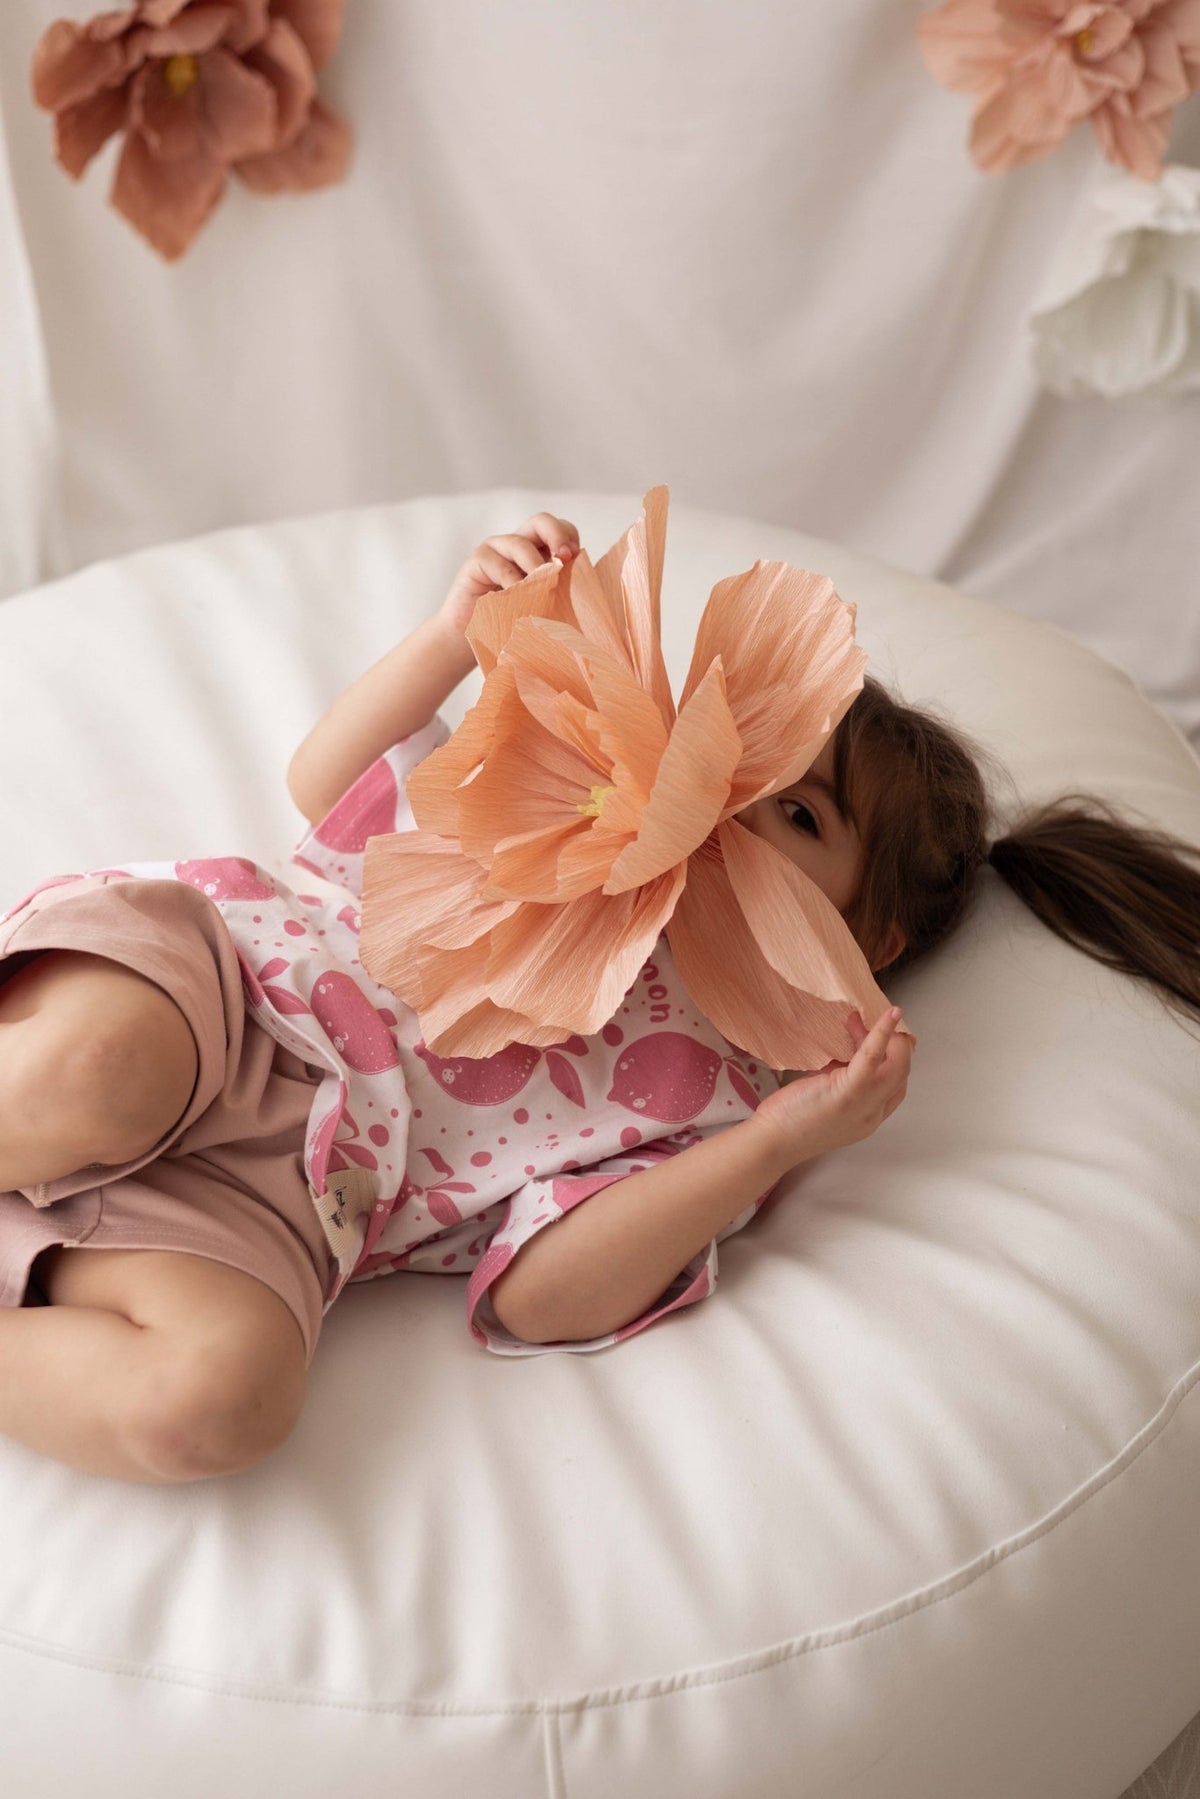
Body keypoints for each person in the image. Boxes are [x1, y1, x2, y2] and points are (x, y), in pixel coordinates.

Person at [0, 512, 1196, 1487]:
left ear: (861, 937)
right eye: (728, 758)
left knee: (225, 1395)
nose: (723, 807)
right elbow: (330, 781)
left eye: (797, 814)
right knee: (97, 1070)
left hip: (292, 1205)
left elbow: (538, 1290)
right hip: (220, 996)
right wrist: (452, 639)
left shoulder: (724, 1090)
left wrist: (783, 1137)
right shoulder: (565, 796)